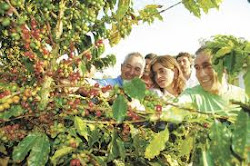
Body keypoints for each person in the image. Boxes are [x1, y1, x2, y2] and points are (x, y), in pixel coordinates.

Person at [177, 47, 249, 114]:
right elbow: (178, 104)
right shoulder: (192, 95)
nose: (201, 74)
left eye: (208, 66)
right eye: (197, 68)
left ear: (224, 68)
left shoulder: (244, 97)